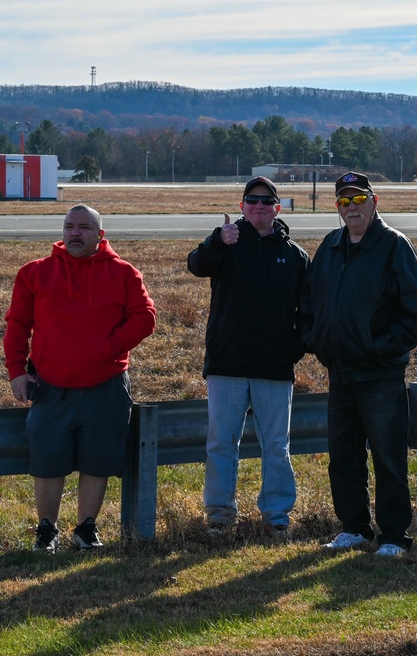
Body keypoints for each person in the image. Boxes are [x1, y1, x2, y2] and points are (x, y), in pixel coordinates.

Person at [4, 205, 156, 551]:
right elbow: (16, 327)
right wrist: (16, 372)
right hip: (49, 386)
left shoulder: (124, 274)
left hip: (106, 385)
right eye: (69, 226)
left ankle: (86, 529)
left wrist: (107, 347)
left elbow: (145, 317)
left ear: (100, 235)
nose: (75, 233)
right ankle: (47, 530)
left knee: (97, 458)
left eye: (84, 227)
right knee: (47, 459)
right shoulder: (34, 273)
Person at [301, 172, 417, 557]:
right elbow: (309, 302)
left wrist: (379, 348)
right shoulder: (331, 246)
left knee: (389, 458)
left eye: (358, 200)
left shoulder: (393, 246)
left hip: (380, 374)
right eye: (344, 201)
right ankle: (354, 527)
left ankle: (394, 535)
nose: (351, 208)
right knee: (343, 456)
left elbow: (416, 315)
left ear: (375, 202)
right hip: (340, 372)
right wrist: (314, 340)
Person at [187, 177, 310, 537]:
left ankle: (276, 516)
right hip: (227, 363)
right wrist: (216, 241)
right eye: (251, 200)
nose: (258, 205)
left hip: (274, 366)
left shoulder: (295, 255)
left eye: (266, 200)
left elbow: (308, 311)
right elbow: (196, 264)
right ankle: (220, 515)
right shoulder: (227, 243)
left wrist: (294, 348)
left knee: (276, 445)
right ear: (241, 207)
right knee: (222, 443)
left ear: (278, 208)